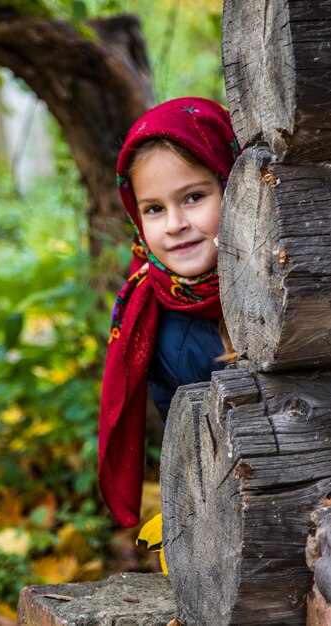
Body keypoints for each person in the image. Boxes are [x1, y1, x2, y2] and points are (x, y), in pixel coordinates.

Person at [98, 97, 240, 529]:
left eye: (194, 196)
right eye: (154, 209)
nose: (175, 223)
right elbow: (199, 458)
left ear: (235, 184)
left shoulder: (294, 270)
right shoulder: (159, 326)